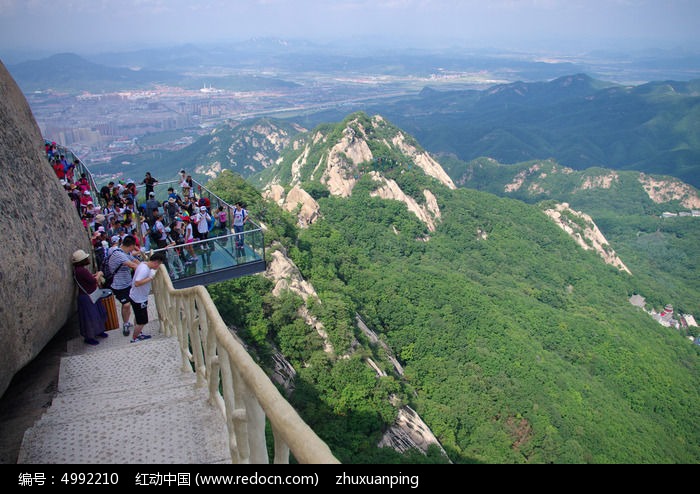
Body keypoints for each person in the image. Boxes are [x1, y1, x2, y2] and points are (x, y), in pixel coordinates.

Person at [106, 235, 142, 336]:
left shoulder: (125, 252)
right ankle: (126, 324)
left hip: (127, 283)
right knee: (126, 304)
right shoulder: (119, 254)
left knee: (130, 303)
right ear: (131, 246)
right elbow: (133, 265)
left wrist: (146, 266)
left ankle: (130, 322)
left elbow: (135, 261)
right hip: (118, 285)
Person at [72, 249, 108, 346]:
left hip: (90, 295)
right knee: (90, 317)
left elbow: (88, 279)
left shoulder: (79, 270)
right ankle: (89, 337)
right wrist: (99, 274)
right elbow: (93, 281)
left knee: (96, 314)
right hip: (87, 297)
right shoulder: (81, 271)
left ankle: (99, 331)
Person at [128, 251, 166, 343]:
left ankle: (139, 333)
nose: (158, 266)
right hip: (139, 298)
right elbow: (137, 283)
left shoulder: (144, 264)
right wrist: (150, 278)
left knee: (138, 316)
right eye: (159, 264)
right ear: (156, 262)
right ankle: (134, 338)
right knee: (143, 320)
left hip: (135, 296)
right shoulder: (145, 269)